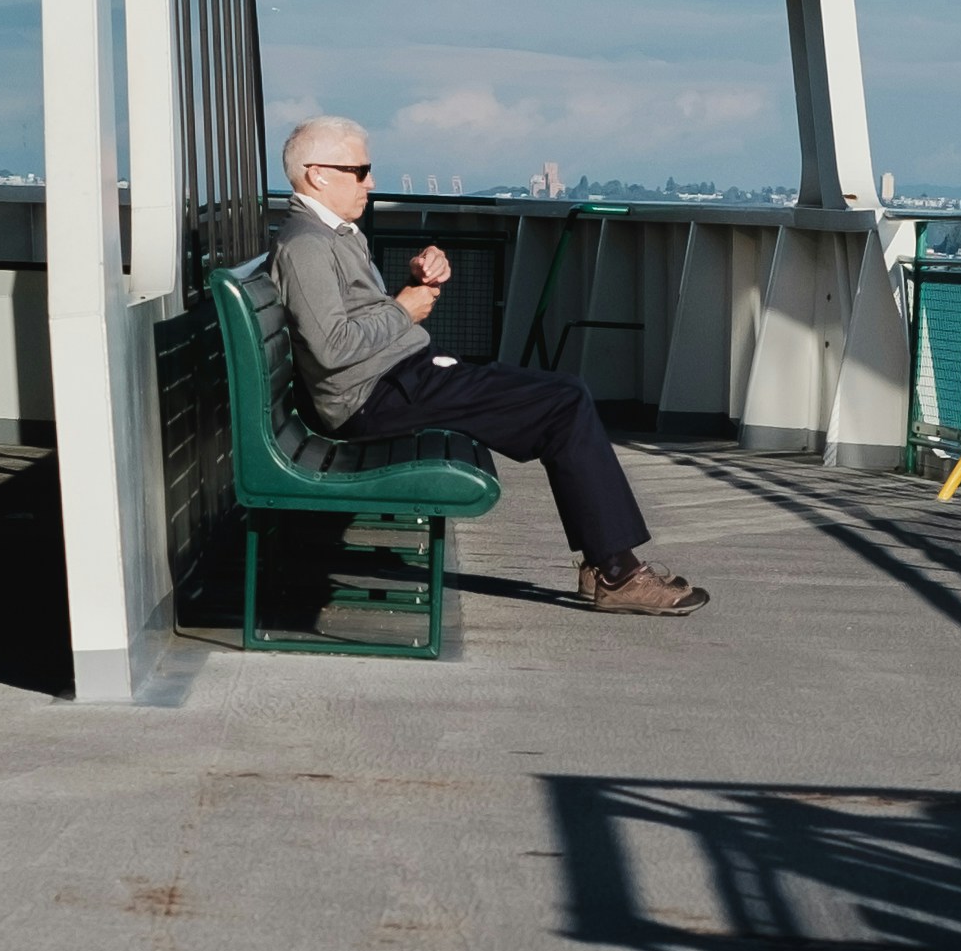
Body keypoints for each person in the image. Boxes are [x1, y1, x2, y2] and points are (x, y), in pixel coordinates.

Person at [271, 116, 708, 616]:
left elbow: (348, 320)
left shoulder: (333, 234)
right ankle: (617, 572)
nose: (370, 181)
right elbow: (331, 347)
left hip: (396, 379)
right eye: (360, 169)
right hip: (375, 397)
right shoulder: (306, 244)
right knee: (563, 401)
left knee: (563, 397)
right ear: (317, 174)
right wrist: (403, 309)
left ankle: (610, 565)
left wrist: (416, 277)